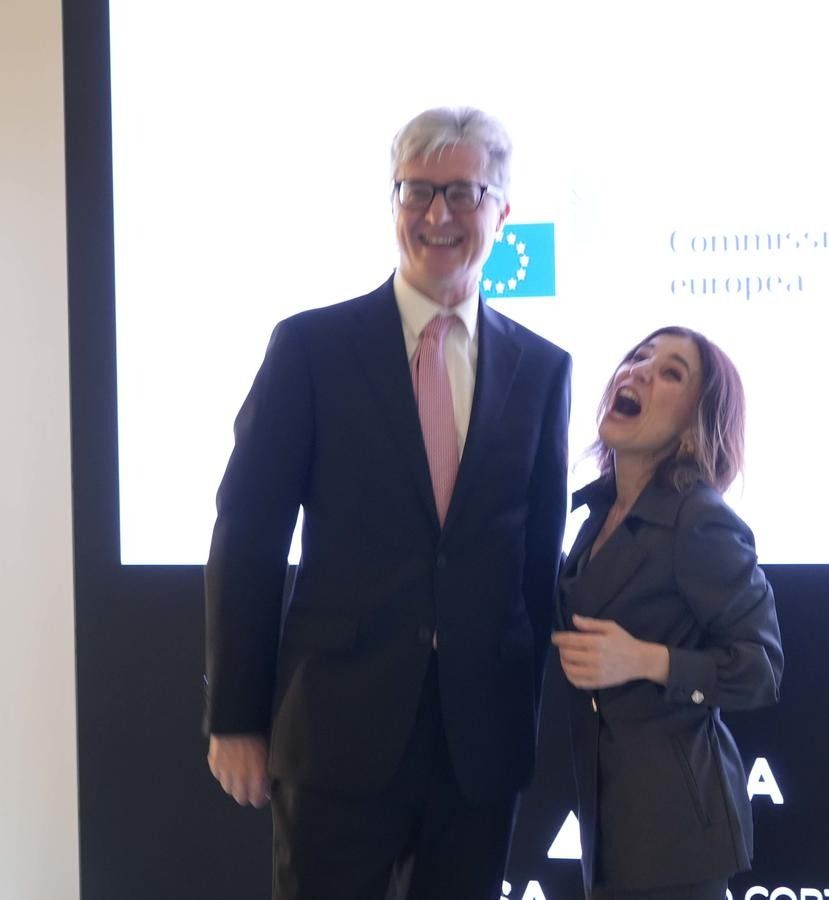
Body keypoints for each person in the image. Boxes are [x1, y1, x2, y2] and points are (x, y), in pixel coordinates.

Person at [203, 106, 571, 900]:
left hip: (478, 749)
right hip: (336, 732)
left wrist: (521, 719)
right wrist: (235, 717)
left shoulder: (542, 370)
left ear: (502, 211)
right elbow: (248, 536)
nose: (437, 214)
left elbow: (535, 566)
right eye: (416, 191)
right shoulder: (311, 349)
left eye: (463, 192)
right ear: (394, 201)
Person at [552, 326, 782, 900]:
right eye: (637, 357)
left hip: (675, 834)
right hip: (613, 823)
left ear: (695, 422)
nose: (639, 370)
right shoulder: (599, 512)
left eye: (671, 372)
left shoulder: (700, 519)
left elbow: (760, 669)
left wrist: (645, 660)